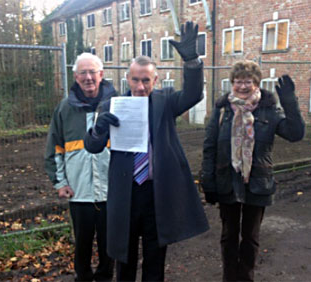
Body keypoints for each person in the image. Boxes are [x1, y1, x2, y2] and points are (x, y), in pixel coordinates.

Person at [84, 21, 209, 281]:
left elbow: (194, 94)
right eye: (135, 80)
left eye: (146, 80)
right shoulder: (112, 105)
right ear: (127, 78)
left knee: (155, 258)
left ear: (155, 80)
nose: (140, 86)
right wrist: (98, 129)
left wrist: (192, 61)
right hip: (125, 193)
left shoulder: (165, 102)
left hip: (157, 193)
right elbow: (93, 147)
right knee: (124, 258)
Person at [201, 60, 305, 282]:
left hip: (257, 184)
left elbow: (295, 134)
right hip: (227, 181)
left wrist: (290, 102)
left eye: (248, 81)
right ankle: (229, 277)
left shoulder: (269, 110)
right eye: (238, 81)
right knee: (228, 235)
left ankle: (246, 277)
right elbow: (209, 147)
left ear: (256, 83)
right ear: (232, 83)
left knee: (250, 237)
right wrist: (207, 181)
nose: (243, 86)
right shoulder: (222, 110)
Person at [45, 52, 115, 281]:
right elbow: (55, 148)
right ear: (75, 77)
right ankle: (82, 277)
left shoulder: (116, 104)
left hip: (110, 191)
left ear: (101, 75)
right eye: (83, 73)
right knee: (82, 245)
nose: (88, 77)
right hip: (79, 192)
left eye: (92, 72)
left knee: (109, 245)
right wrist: (60, 182)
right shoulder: (64, 109)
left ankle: (105, 277)